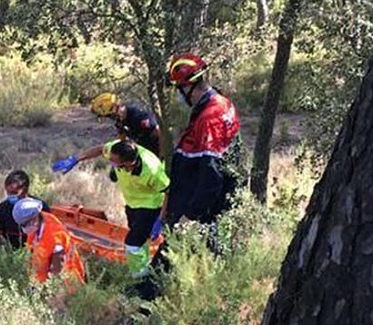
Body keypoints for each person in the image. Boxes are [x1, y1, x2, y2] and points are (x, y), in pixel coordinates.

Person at [51, 139, 169, 294]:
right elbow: (100, 149)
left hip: (151, 206)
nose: (110, 162)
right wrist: (76, 159)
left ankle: (140, 281)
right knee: (141, 243)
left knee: (132, 243)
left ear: (128, 163)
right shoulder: (118, 150)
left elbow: (168, 192)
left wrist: (160, 219)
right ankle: (145, 270)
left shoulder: (152, 170)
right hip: (132, 203)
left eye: (114, 162)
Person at [165, 53, 242, 233]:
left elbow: (211, 174)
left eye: (179, 89)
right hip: (205, 207)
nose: (179, 95)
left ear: (189, 86)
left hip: (199, 215)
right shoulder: (222, 103)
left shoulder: (209, 118)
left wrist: (190, 216)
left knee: (167, 261)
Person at [12, 198, 86, 286]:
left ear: (33, 219)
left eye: (24, 224)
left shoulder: (55, 238)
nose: (22, 228)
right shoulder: (41, 220)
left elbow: (56, 273)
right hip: (40, 281)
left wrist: (48, 292)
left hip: (66, 284)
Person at [0, 170, 51, 252]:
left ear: (25, 191)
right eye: (8, 192)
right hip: (13, 254)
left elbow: (50, 233)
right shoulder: (1, 210)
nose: (10, 196)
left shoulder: (40, 207)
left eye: (14, 193)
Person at [90, 92, 161, 157]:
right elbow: (123, 140)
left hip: (158, 154)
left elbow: (159, 132)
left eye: (109, 116)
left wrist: (163, 156)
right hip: (145, 155)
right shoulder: (120, 122)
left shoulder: (138, 116)